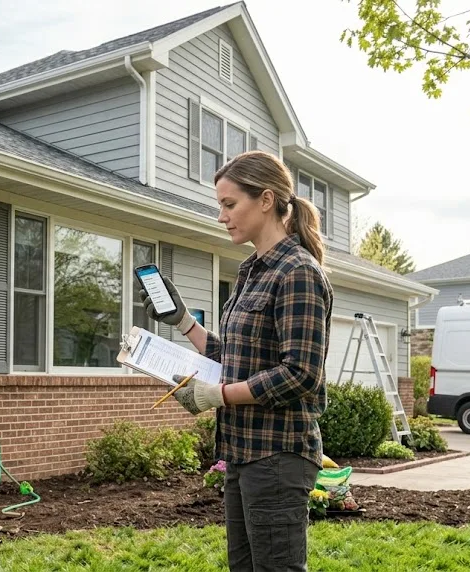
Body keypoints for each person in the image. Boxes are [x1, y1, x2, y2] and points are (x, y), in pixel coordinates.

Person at [139, 150, 332, 572]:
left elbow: (300, 374)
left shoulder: (297, 271)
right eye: (219, 206)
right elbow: (235, 356)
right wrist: (183, 320)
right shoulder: (251, 271)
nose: (222, 216)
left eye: (229, 204)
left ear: (265, 200)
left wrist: (217, 395)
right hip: (242, 451)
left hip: (278, 455)